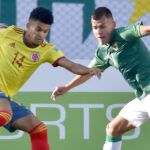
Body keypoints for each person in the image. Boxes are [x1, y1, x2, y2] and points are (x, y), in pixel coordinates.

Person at [0, 7, 101, 150]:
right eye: (38, 29)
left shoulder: (46, 50)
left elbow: (71, 65)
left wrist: (89, 70)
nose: (41, 35)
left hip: (4, 95)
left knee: (38, 129)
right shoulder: (7, 33)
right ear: (28, 26)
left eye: (45, 31)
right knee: (4, 114)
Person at [51, 6, 150, 150]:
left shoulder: (123, 34)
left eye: (103, 26)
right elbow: (89, 72)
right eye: (95, 27)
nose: (98, 32)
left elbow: (146, 30)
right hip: (143, 97)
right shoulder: (103, 51)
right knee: (113, 129)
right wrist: (67, 87)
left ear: (113, 25)